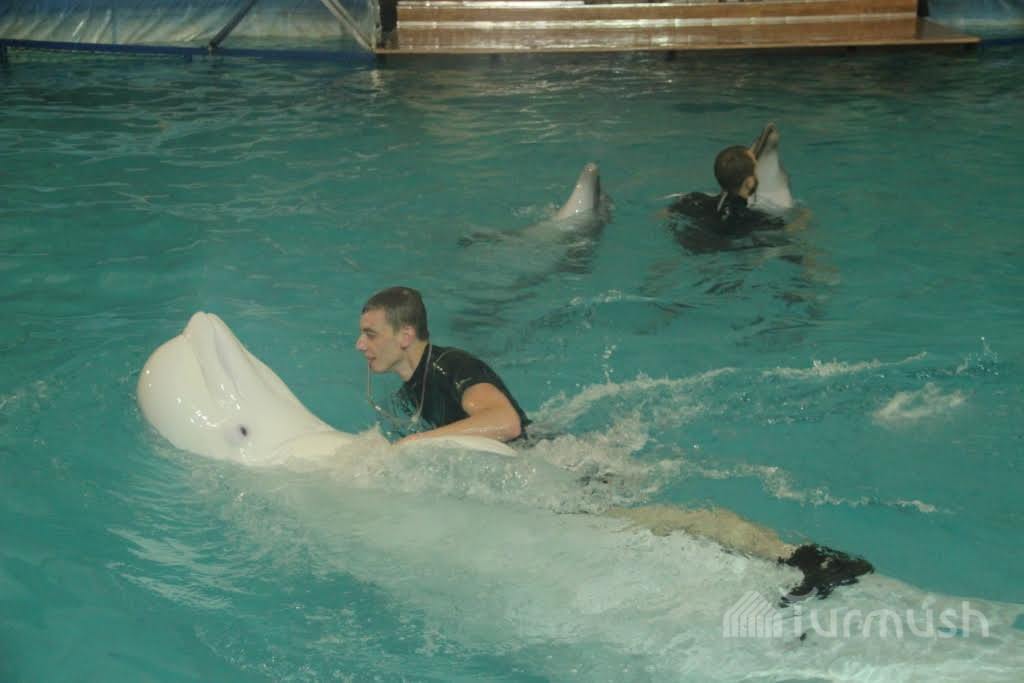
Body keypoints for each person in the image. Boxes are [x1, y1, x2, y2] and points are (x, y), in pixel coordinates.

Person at [356, 286, 530, 444]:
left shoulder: (453, 367)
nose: (360, 345)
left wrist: (416, 442)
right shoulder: (408, 394)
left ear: (405, 336)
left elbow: (507, 423)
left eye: (370, 335)